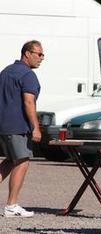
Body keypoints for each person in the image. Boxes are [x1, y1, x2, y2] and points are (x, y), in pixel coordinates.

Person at [0, 40, 44, 217]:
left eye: (43, 55)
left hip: (3, 126)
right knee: (22, 161)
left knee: (10, 161)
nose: (42, 58)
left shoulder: (6, 71)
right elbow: (28, 102)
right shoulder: (27, 75)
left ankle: (12, 204)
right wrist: (36, 127)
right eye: (39, 54)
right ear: (27, 53)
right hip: (17, 126)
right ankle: (11, 205)